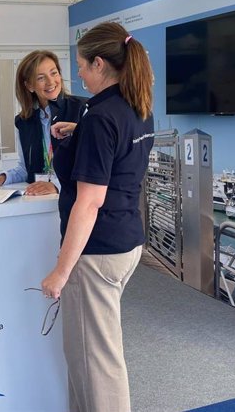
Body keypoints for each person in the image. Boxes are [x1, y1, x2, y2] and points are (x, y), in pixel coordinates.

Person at [41, 22, 155, 412]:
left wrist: (61, 270)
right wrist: (82, 130)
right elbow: (121, 154)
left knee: (98, 363)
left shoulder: (102, 116)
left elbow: (88, 203)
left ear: (100, 63)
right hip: (126, 242)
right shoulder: (136, 106)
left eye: (82, 67)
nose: (79, 76)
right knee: (85, 356)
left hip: (97, 253)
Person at [0, 50, 86, 196]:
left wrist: (57, 185)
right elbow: (24, 169)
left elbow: (90, 165)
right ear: (29, 86)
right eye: (41, 78)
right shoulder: (24, 122)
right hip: (39, 202)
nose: (51, 82)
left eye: (54, 73)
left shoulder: (81, 109)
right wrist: (2, 178)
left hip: (74, 198)